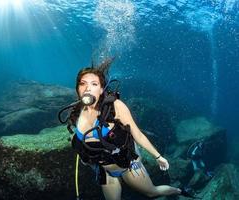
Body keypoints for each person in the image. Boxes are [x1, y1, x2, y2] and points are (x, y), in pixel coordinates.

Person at [59, 58, 187, 200]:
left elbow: (137, 134)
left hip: (128, 166)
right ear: (77, 88)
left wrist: (158, 157)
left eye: (94, 84)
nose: (87, 88)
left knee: (152, 192)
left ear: (101, 89)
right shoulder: (77, 111)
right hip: (105, 171)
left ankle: (179, 191)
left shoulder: (115, 107)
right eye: (82, 83)